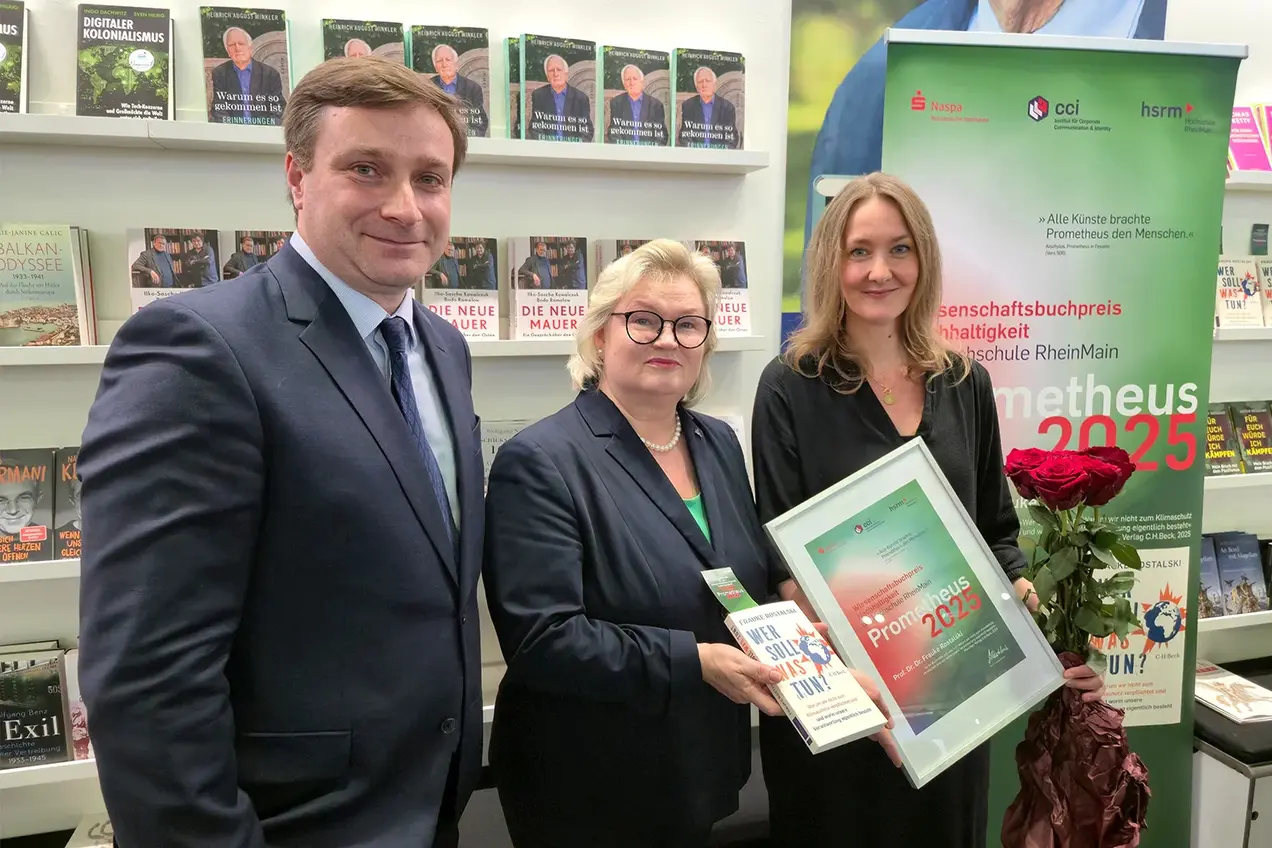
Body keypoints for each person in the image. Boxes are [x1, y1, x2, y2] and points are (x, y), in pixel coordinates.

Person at [77, 57, 484, 848]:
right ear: (297, 179)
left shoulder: (441, 345)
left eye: (430, 179)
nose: (406, 207)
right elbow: (146, 679)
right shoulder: (198, 347)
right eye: (367, 169)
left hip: (428, 806)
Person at [482, 239, 894, 847]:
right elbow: (543, 641)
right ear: (600, 336)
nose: (668, 340)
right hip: (587, 782)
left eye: (688, 325)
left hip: (693, 767)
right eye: (644, 320)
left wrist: (827, 670)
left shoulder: (718, 443)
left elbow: (741, 589)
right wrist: (695, 661)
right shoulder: (541, 461)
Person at [753, 172, 1105, 848]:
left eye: (900, 249)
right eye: (859, 251)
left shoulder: (963, 381)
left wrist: (1026, 601)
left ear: (925, 261)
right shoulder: (790, 385)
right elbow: (780, 556)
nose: (879, 270)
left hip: (951, 701)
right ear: (831, 261)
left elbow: (995, 531)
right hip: (847, 703)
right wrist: (865, 678)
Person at [208, 25, 287, 125]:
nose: (237, 48)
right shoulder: (220, 73)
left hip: (262, 131)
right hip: (233, 132)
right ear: (228, 51)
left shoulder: (270, 74)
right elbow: (219, 110)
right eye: (232, 45)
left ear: (250, 48)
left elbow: (279, 110)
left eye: (241, 43)